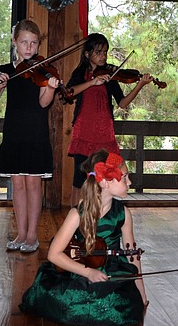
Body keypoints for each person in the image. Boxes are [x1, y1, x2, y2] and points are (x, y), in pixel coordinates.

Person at [20, 150, 147, 326]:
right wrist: (88, 272)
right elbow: (54, 255)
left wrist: (141, 291)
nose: (130, 182)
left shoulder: (123, 213)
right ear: (105, 182)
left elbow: (132, 254)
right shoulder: (77, 214)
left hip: (112, 269)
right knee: (67, 299)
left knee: (121, 302)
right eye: (124, 177)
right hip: (79, 267)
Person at [0, 20, 59, 253]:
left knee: (33, 184)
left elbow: (43, 103)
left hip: (35, 133)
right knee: (18, 185)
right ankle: (20, 232)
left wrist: (50, 87)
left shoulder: (42, 69)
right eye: (24, 42)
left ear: (38, 45)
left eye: (34, 43)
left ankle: (31, 235)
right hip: (14, 133)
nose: (29, 48)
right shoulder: (5, 71)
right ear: (14, 42)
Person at [65, 33, 153, 207]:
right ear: (87, 54)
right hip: (84, 131)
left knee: (106, 178)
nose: (103, 56)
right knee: (80, 180)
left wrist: (139, 85)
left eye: (105, 52)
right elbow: (69, 92)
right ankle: (76, 222)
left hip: (104, 133)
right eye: (98, 52)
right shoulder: (81, 73)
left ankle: (100, 218)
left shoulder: (111, 75)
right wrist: (92, 82)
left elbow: (122, 103)